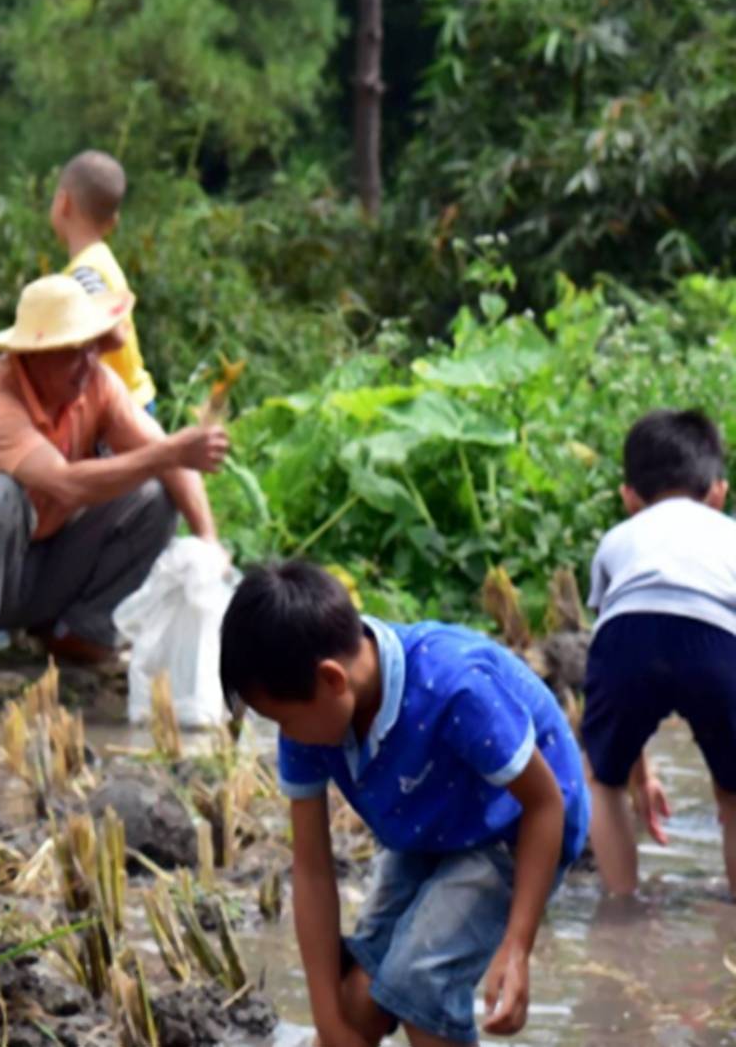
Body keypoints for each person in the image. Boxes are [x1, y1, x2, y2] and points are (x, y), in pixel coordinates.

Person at [222, 561, 589, 1046]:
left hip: (516, 824)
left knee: (420, 982)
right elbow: (311, 869)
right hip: (427, 825)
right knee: (354, 1003)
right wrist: (328, 1023)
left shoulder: (453, 688)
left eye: (284, 720)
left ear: (332, 680)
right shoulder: (311, 713)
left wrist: (517, 947)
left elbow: (544, 804)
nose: (285, 736)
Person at [0, 274, 226, 678]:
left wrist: (208, 541)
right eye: (71, 352)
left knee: (153, 495)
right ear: (33, 356)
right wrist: (168, 453)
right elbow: (65, 483)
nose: (86, 363)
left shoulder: (98, 384)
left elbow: (169, 460)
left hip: (43, 565)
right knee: (0, 495)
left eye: (90, 347)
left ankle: (79, 633)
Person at [581, 408, 736, 898]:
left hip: (627, 633)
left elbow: (615, 639)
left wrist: (635, 774)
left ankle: (620, 909)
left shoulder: (616, 539)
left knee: (602, 782)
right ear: (719, 492)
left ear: (629, 497)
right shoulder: (729, 533)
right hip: (716, 637)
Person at [52, 150, 156, 412]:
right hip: (134, 397)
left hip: (119, 409)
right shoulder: (102, 260)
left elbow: (108, 330)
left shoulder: (84, 274)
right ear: (113, 221)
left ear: (63, 202)